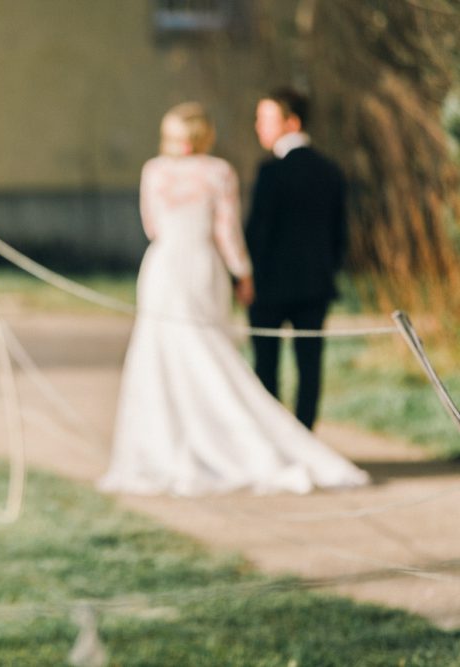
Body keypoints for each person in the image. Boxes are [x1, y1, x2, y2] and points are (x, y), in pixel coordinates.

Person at [97, 102, 368, 496]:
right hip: (201, 267)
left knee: (161, 355)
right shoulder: (218, 172)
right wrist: (243, 274)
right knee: (208, 353)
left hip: (162, 267)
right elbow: (227, 235)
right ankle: (241, 443)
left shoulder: (153, 171)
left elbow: (151, 225)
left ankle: (168, 448)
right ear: (204, 135)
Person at [246, 87, 347, 430]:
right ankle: (304, 435)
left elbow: (257, 234)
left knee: (267, 367)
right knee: (310, 366)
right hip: (315, 286)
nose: (258, 126)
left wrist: (246, 279)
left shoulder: (270, 173)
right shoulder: (330, 170)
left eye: (265, 119)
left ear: (292, 122)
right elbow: (339, 236)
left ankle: (274, 437)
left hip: (269, 288)